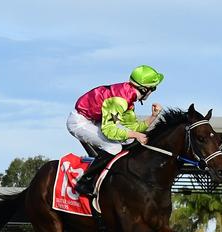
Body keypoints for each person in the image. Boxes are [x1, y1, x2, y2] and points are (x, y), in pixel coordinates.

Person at [67, 65, 164, 195]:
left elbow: (133, 128)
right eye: (153, 88)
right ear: (144, 88)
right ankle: (85, 182)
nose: (153, 92)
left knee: (128, 139)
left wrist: (153, 116)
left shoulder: (129, 97)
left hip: (95, 121)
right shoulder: (120, 101)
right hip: (79, 121)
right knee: (113, 147)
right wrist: (135, 134)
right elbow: (110, 131)